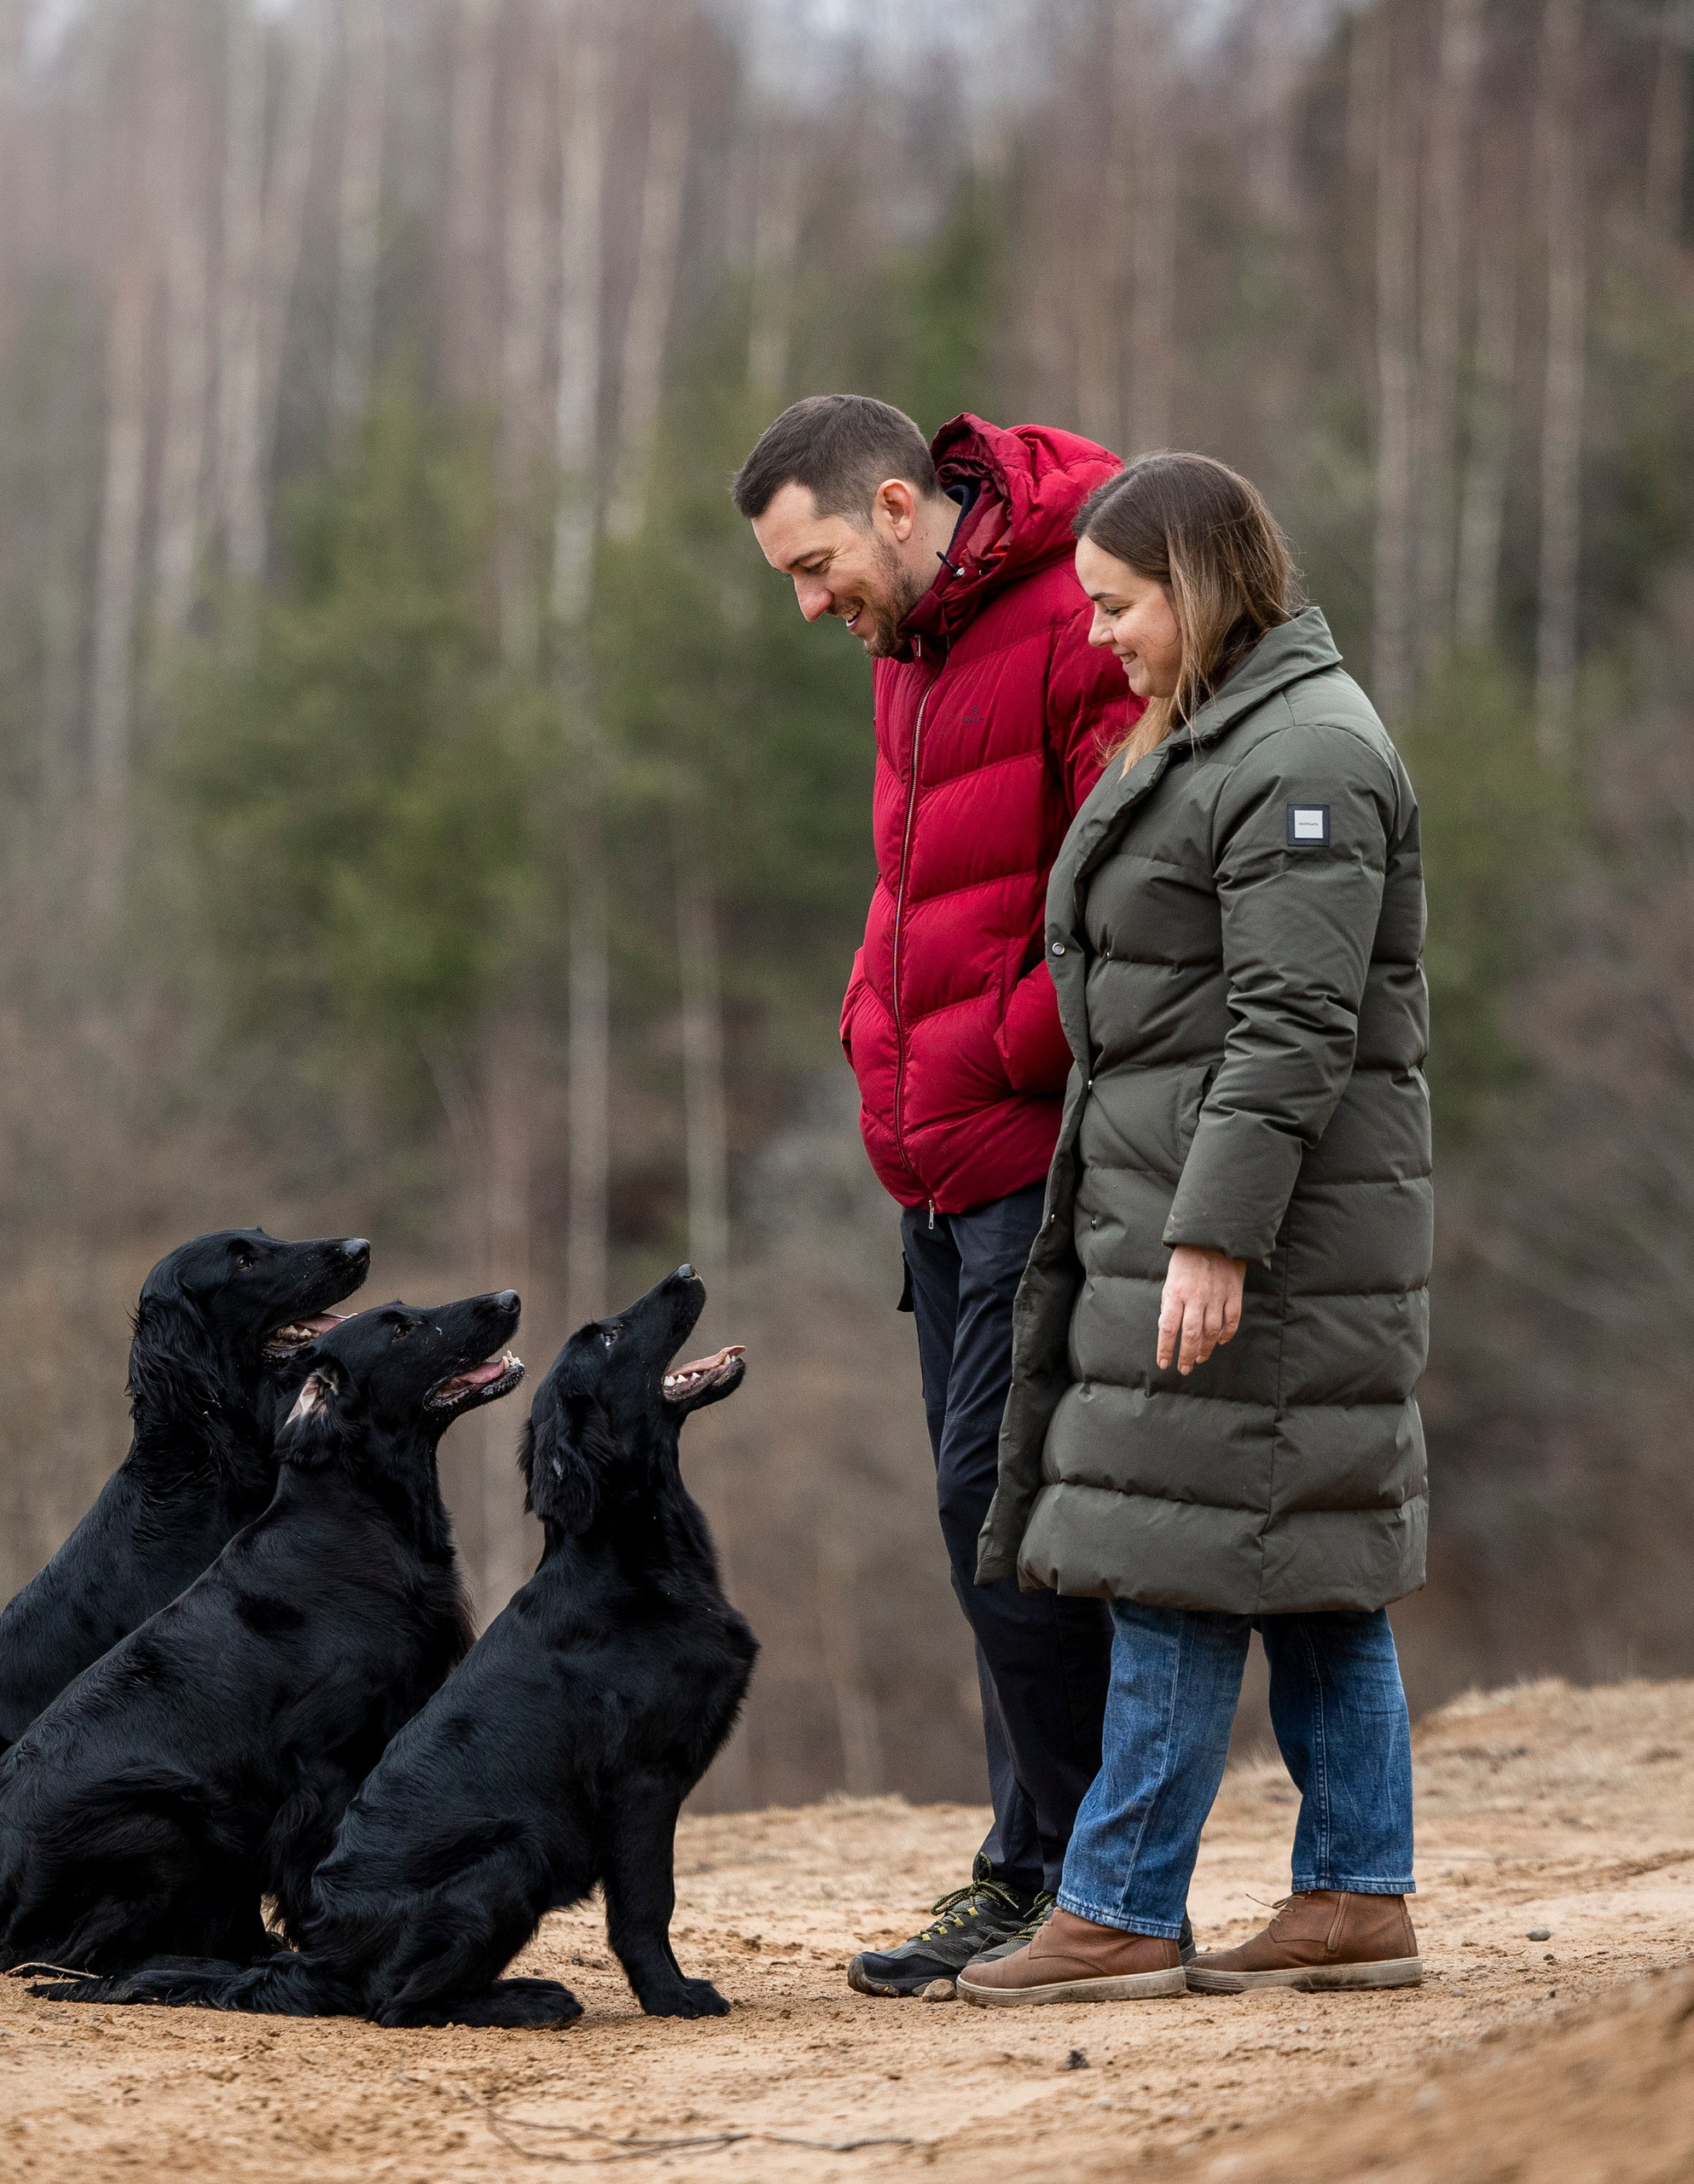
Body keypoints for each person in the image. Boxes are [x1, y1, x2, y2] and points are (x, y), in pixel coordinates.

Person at [959, 452, 1430, 2007]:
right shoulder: (1230, 731)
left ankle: (1119, 1905)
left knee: (1178, 1551)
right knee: (1304, 1565)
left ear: (1201, 587)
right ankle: (1355, 1897)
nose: (1102, 636)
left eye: (1120, 605)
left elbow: (1293, 1023)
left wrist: (1215, 1237)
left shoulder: (1309, 758)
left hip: (1262, 1236)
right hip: (1199, 1207)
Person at [732, 394, 1141, 1995]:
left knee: (1008, 1516)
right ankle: (1042, 1867)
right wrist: (874, 1031)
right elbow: (921, 888)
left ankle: (1075, 1882)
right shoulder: (913, 644)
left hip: (1035, 1155)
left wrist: (986, 1056)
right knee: (986, 1521)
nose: (811, 603)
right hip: (937, 1172)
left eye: (819, 563)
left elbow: (1130, 897)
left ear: (898, 506)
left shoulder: (1075, 613)